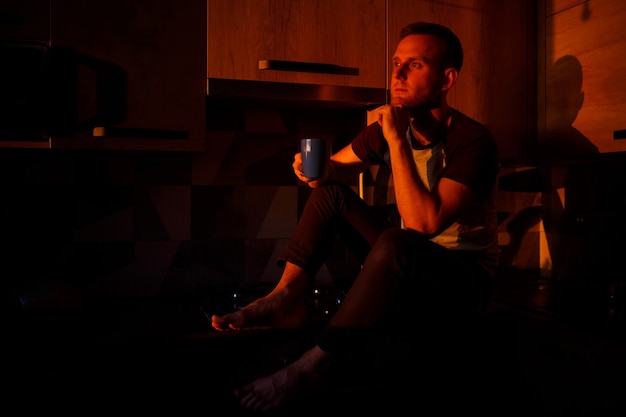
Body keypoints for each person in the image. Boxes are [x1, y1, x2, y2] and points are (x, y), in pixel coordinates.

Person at [211, 21, 500, 412]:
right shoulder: (387, 130)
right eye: (396, 63)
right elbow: (336, 169)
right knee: (331, 196)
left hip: (462, 283)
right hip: (407, 265)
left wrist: (395, 139)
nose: (396, 74)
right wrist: (314, 170)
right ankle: (287, 296)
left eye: (413, 65)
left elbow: (423, 225)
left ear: (447, 79)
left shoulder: (473, 141)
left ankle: (314, 365)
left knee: (399, 239)